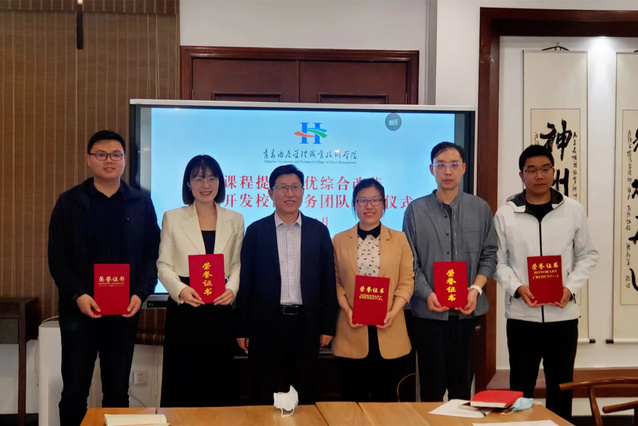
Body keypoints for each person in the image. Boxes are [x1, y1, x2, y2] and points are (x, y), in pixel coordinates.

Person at [48, 130, 160, 425]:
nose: (108, 160)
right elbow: (57, 258)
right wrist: (78, 294)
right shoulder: (69, 202)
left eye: (115, 155)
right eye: (101, 154)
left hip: (124, 312)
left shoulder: (141, 203)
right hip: (79, 311)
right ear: (89, 159)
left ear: (125, 160)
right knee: (74, 391)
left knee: (117, 392)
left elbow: (153, 254)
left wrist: (140, 293)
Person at [494, 145, 598, 421]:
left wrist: (569, 287)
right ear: (521, 175)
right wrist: (517, 288)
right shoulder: (506, 213)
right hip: (522, 317)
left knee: (561, 387)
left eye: (545, 169)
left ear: (554, 172)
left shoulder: (572, 210)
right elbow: (497, 260)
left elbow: (588, 255)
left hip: (562, 316)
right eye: (531, 170)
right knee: (520, 388)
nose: (539, 175)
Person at [403, 141, 497, 402]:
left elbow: (490, 254)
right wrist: (427, 293)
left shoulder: (480, 208)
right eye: (441, 165)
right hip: (428, 315)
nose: (447, 171)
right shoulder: (415, 210)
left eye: (453, 165)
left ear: (463, 168)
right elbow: (410, 261)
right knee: (431, 391)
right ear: (431, 169)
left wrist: (475, 290)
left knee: (461, 391)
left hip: (468, 315)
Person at [236, 164, 338, 405]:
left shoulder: (319, 231)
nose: (289, 193)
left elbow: (328, 282)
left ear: (303, 191)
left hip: (306, 324)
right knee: (265, 394)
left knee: (305, 394)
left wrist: (327, 326)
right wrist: (242, 328)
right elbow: (246, 282)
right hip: (266, 324)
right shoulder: (256, 231)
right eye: (282, 187)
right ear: (270, 193)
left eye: (295, 187)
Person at [157, 155, 244, 407]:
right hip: (185, 307)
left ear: (220, 182)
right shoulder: (172, 217)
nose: (206, 185)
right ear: (188, 183)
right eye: (198, 178)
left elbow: (237, 264)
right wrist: (181, 290)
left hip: (220, 307)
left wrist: (232, 288)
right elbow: (163, 265)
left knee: (219, 381)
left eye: (212, 178)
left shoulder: (235, 219)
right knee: (183, 380)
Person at [332, 178, 414, 402]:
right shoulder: (339, 240)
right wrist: (348, 310)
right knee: (352, 401)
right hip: (351, 332)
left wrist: (393, 312)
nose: (369, 206)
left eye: (375, 200)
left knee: (386, 402)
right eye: (362, 201)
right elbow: (336, 282)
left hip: (389, 329)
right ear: (354, 204)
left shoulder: (400, 239)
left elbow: (406, 282)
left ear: (384, 204)